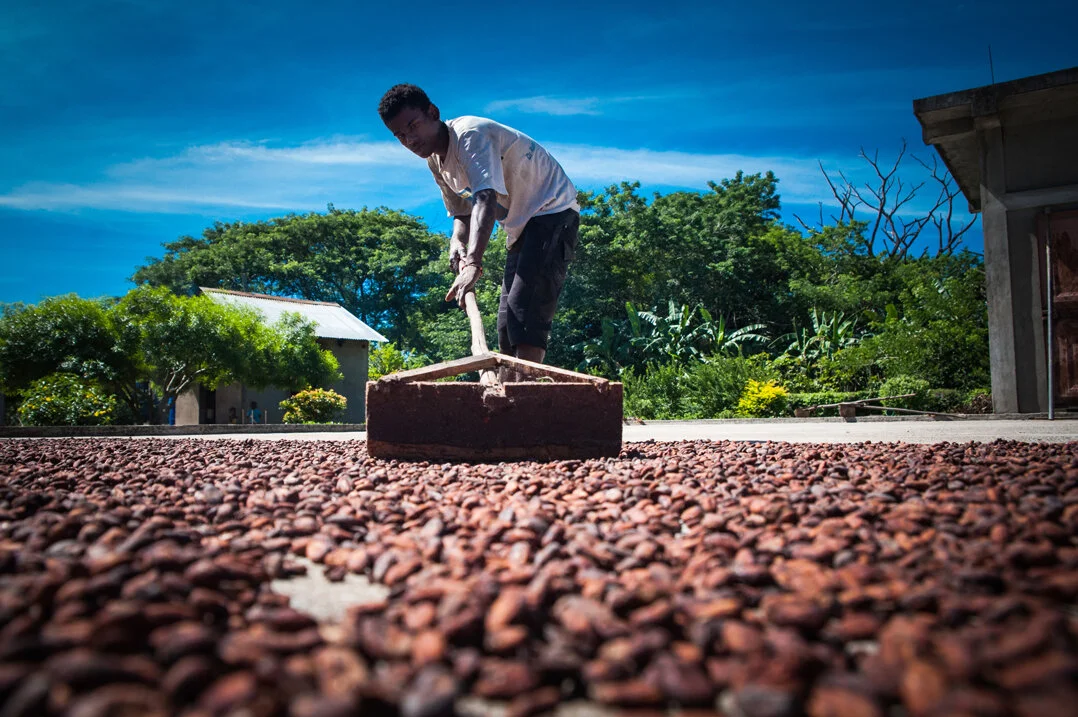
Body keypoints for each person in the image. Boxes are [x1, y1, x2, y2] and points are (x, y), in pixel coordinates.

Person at [378, 84, 579, 365]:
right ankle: (509, 392)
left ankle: (525, 397)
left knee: (526, 313)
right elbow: (462, 211)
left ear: (433, 113)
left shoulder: (470, 135)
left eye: (413, 126)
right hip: (521, 226)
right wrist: (457, 241)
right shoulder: (436, 162)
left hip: (552, 211)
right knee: (507, 325)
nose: (409, 139)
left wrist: (473, 264)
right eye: (399, 135)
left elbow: (485, 198)